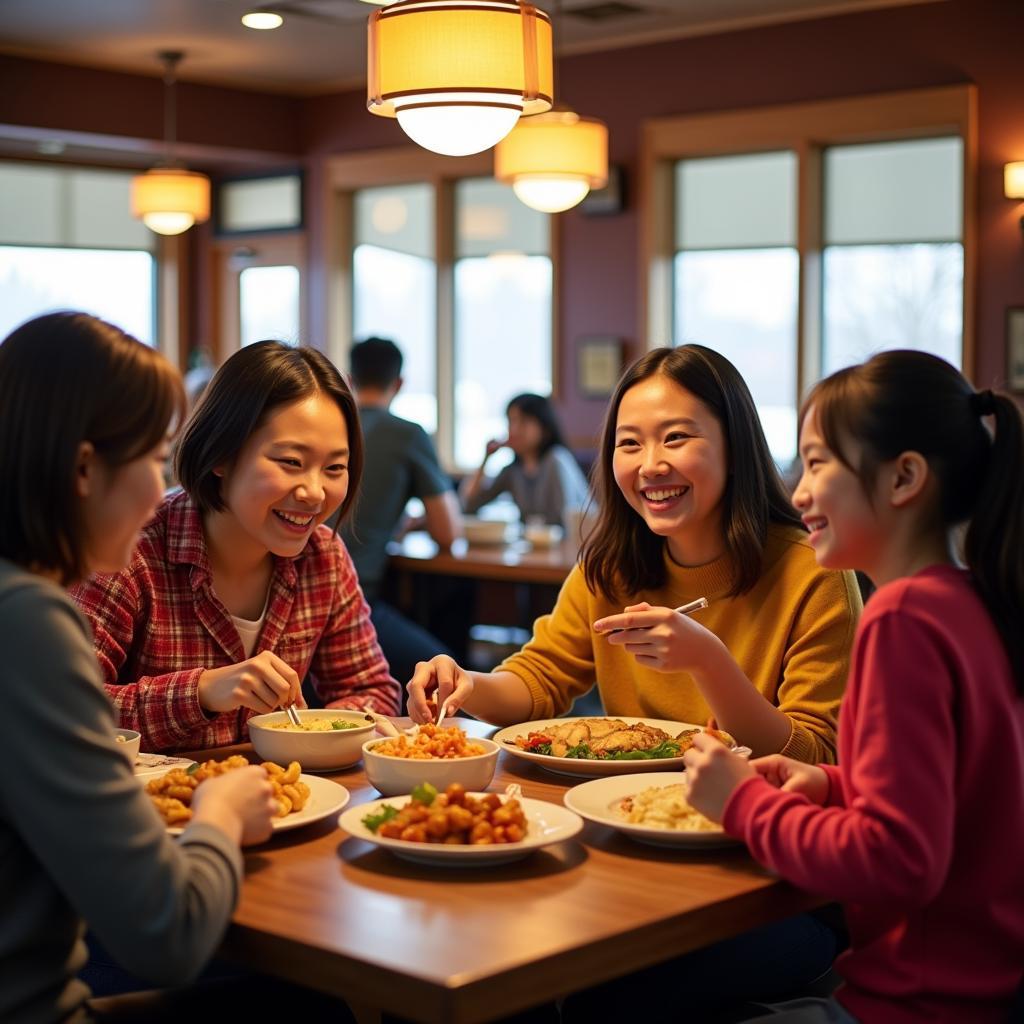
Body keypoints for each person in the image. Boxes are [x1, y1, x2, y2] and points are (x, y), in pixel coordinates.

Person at [683, 351, 1024, 1024]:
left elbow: (899, 861)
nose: (798, 492)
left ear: (904, 478)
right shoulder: (972, 600)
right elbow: (957, 801)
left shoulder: (901, 620)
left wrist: (743, 803)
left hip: (914, 1003)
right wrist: (836, 788)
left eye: (817, 464)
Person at [0, 311, 283, 1021]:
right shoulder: (29, 621)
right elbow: (169, 933)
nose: (163, 491)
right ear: (86, 469)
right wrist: (217, 814)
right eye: (156, 459)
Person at [411, 345, 860, 763]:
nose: (650, 465)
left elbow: (814, 755)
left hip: (748, 826)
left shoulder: (813, 573)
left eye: (676, 437)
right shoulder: (610, 565)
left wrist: (709, 663)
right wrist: (467, 685)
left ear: (735, 446)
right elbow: (541, 676)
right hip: (622, 809)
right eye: (629, 443)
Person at [71, 340, 400, 754]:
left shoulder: (323, 557)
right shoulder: (131, 548)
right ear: (221, 456)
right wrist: (202, 691)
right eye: (290, 462)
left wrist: (326, 729)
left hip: (281, 805)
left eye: (335, 468)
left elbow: (369, 690)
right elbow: (61, 711)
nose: (315, 493)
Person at [340, 337, 464, 686]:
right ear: (399, 384)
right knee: (450, 671)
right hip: (358, 601)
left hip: (296, 601)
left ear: (349, 379)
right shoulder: (407, 435)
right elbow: (448, 533)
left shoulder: (334, 428)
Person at [460, 392, 589, 529]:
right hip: (539, 548)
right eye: (510, 421)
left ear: (544, 427)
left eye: (523, 422)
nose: (514, 430)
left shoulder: (556, 460)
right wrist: (486, 459)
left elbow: (566, 523)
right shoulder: (512, 471)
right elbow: (469, 505)